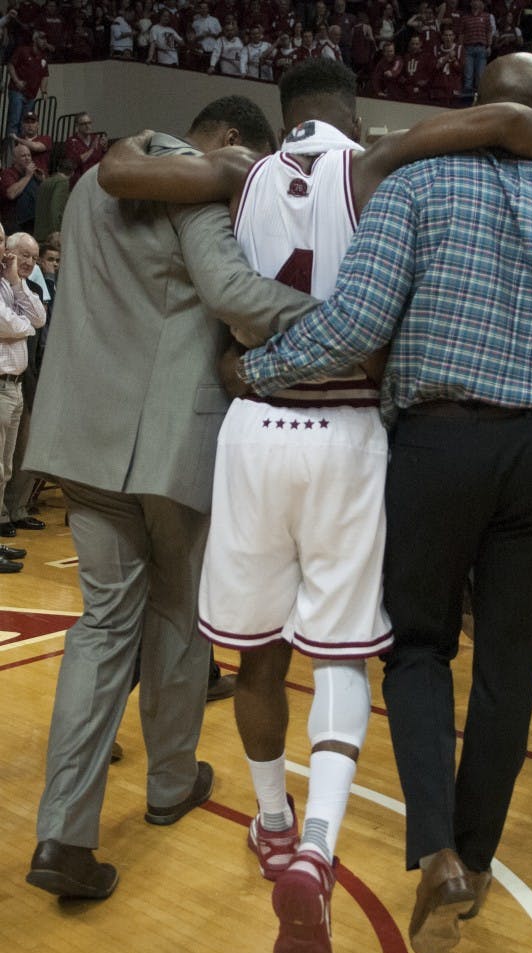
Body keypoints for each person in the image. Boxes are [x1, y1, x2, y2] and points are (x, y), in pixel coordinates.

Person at [98, 58, 532, 953]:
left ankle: (271, 826)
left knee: (254, 650)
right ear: (353, 111)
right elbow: (512, 126)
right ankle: (319, 846)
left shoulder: (233, 172)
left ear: (281, 114)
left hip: (249, 426)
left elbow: (121, 173)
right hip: (349, 430)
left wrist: (135, 140)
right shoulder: (376, 162)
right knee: (341, 653)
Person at [232, 53, 532, 953]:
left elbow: (354, 326)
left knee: (420, 647)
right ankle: (473, 855)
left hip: (436, 443)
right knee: (510, 671)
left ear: (478, 110)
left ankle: (432, 847)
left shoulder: (420, 181)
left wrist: (258, 370)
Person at [23, 95, 316, 903]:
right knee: (178, 616)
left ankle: (62, 834)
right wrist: (342, 315)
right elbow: (238, 301)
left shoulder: (87, 184)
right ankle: (169, 783)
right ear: (224, 143)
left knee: (101, 627)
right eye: (243, 168)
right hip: (170, 446)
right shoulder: (192, 183)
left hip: (81, 434)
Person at [0, 226, 45, 567]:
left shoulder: (9, 283)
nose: (27, 261)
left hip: (14, 385)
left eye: (33, 257)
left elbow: (38, 318)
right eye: (21, 253)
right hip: (1, 384)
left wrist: (16, 281)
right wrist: (22, 324)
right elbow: (12, 325)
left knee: (4, 468)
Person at [5, 30, 49, 139]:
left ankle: (20, 151)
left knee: (25, 125)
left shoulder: (43, 57)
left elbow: (45, 75)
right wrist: (17, 81)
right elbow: (10, 65)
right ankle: (10, 153)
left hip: (31, 95)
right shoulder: (22, 50)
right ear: (35, 39)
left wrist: (43, 91)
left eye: (45, 39)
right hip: (17, 91)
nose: (45, 42)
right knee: (14, 122)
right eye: (42, 39)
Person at [0, 141, 42, 235]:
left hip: (32, 222)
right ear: (14, 159)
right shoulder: (8, 173)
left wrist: (42, 180)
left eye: (29, 155)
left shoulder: (34, 174)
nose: (27, 159)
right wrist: (27, 177)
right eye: (23, 156)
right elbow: (11, 194)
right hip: (13, 223)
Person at [63, 112, 108, 189]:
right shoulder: (71, 141)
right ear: (77, 126)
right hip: (80, 181)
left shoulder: (95, 139)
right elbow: (74, 162)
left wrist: (104, 148)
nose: (88, 126)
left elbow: (104, 162)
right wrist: (91, 149)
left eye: (89, 123)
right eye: (84, 124)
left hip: (96, 180)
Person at [9, 109, 51, 175]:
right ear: (23, 125)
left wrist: (17, 138)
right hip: (21, 176)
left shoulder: (45, 138)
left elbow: (36, 147)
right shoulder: (17, 141)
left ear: (38, 125)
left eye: (33, 122)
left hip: (39, 176)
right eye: (27, 122)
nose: (30, 125)